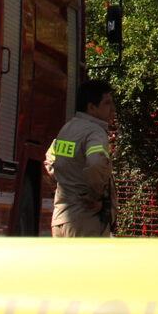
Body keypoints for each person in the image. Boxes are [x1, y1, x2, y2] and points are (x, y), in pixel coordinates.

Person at [45, 79, 116, 238]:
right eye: (107, 103)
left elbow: (50, 161)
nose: (113, 109)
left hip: (60, 220)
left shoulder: (67, 129)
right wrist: (95, 195)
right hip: (86, 221)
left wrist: (66, 182)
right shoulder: (95, 132)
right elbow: (96, 163)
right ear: (91, 107)